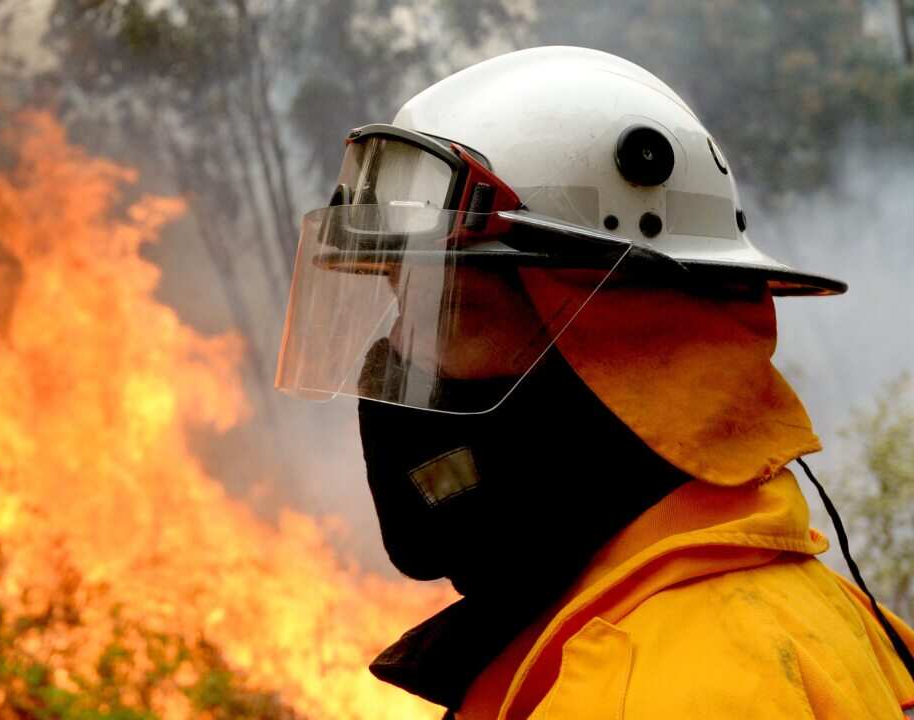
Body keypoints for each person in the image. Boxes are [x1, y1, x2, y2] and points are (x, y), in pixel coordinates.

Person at [275, 46, 914, 719]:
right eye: (403, 309)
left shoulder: (649, 693)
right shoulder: (814, 616)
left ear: (636, 355)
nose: (400, 354)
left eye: (451, 314)